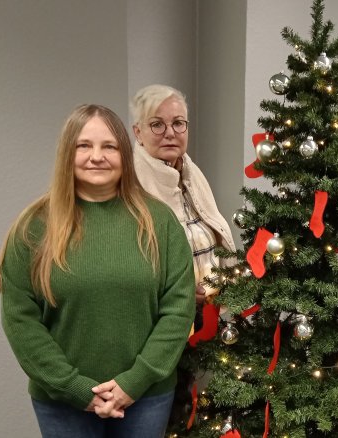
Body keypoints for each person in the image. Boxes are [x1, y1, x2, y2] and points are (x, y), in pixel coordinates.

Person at [0, 104, 196, 437]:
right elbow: (20, 320)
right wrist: (75, 387)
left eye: (109, 146)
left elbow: (178, 310)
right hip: (61, 400)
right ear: (67, 153)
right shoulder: (32, 227)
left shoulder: (160, 222)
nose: (97, 156)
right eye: (84, 146)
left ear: (124, 153)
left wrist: (133, 383)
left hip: (146, 396)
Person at [129, 84, 236, 428]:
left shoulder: (190, 172)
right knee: (170, 419)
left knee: (201, 415)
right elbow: (132, 265)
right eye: (157, 124)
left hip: (207, 319)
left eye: (179, 123)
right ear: (138, 132)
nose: (170, 133)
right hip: (162, 327)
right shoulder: (129, 185)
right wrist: (183, 294)